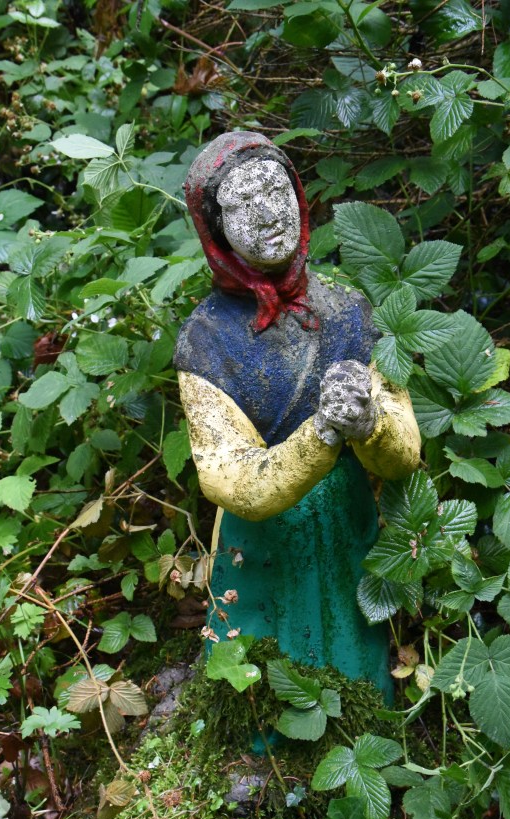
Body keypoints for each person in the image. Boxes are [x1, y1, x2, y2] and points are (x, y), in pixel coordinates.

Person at [174, 131, 420, 703]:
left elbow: (406, 450)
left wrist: (370, 424)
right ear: (215, 228)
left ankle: (366, 727)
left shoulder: (349, 310)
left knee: (355, 650)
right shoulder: (205, 342)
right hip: (263, 539)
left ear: (300, 197)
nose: (266, 213)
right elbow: (229, 476)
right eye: (242, 203)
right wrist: (321, 434)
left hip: (349, 521)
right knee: (264, 670)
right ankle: (261, 737)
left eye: (275, 190)